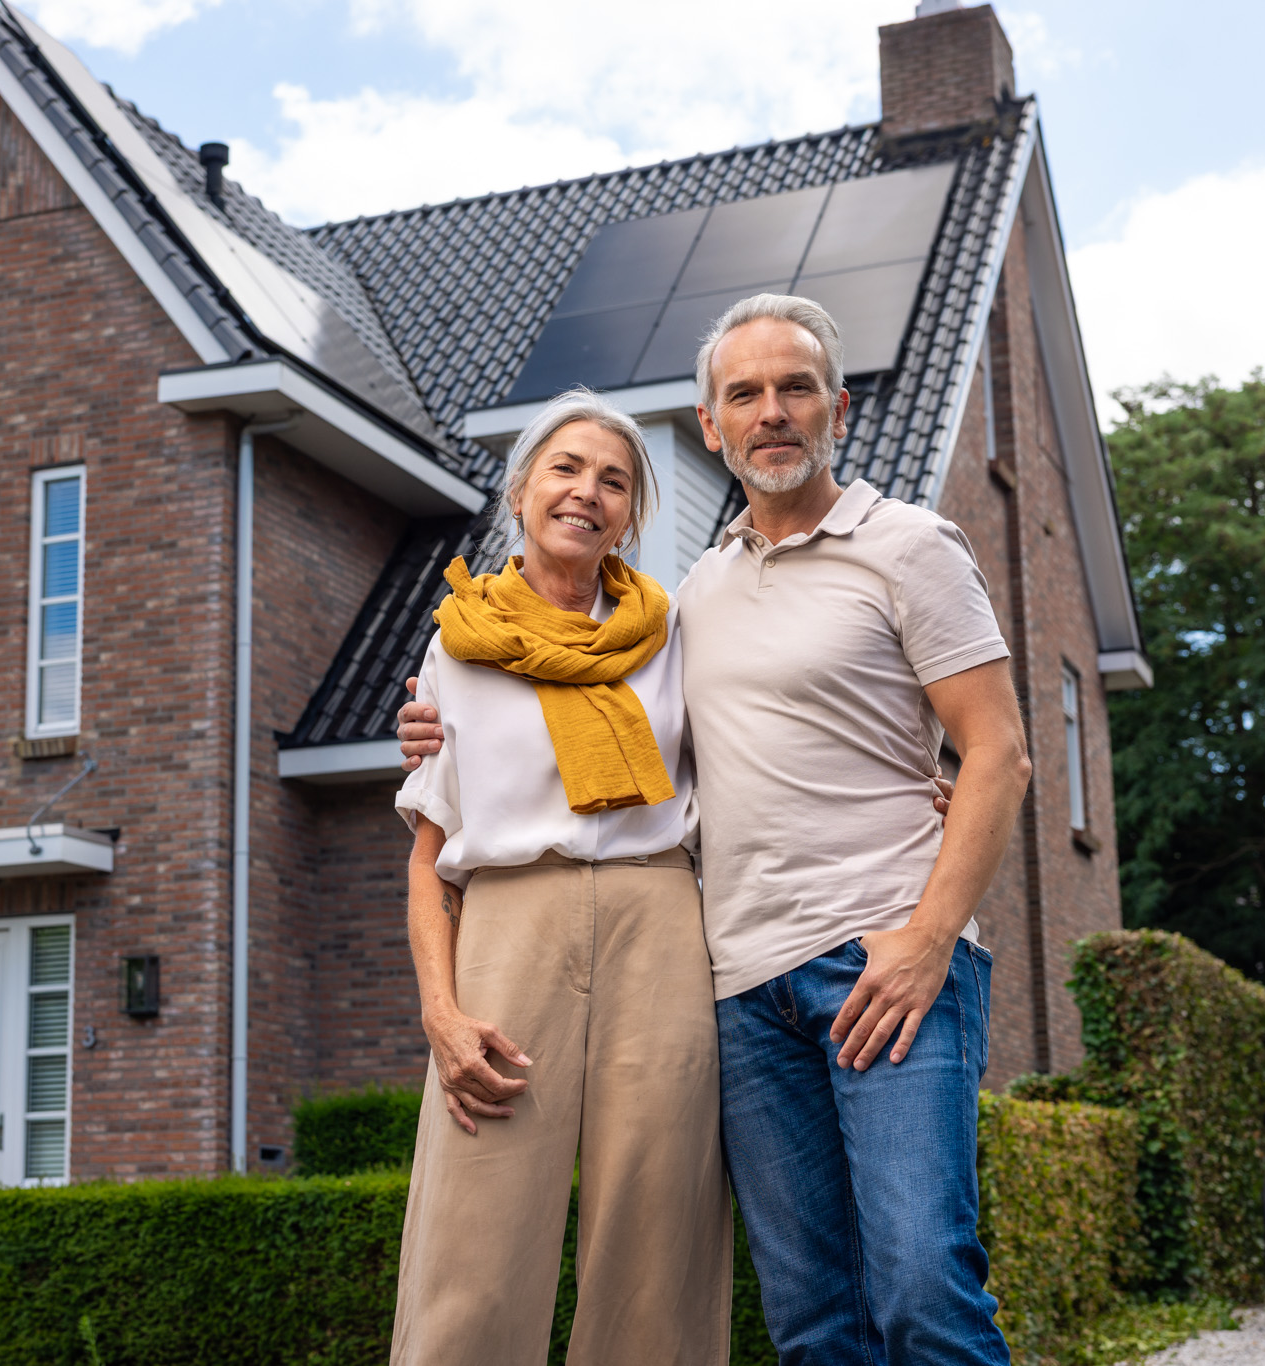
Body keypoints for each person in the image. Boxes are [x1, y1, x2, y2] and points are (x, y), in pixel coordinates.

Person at [401, 294, 1031, 1365]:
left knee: (916, 1282)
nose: (771, 412)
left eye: (794, 389)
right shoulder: (668, 604)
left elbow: (995, 750)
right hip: (739, 975)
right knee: (810, 1315)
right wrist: (426, 735)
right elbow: (460, 815)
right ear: (711, 424)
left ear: (837, 408)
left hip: (846, 951)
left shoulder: (861, 559)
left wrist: (932, 912)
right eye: (745, 393)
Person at [388, 389, 730, 1366]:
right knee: (475, 1222)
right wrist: (439, 1012)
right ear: (519, 491)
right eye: (566, 468)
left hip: (659, 925)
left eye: (614, 480)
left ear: (631, 514)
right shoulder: (457, 646)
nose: (587, 491)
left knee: (659, 1222)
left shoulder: (672, 636)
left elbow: (761, 737)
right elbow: (428, 855)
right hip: (507, 923)